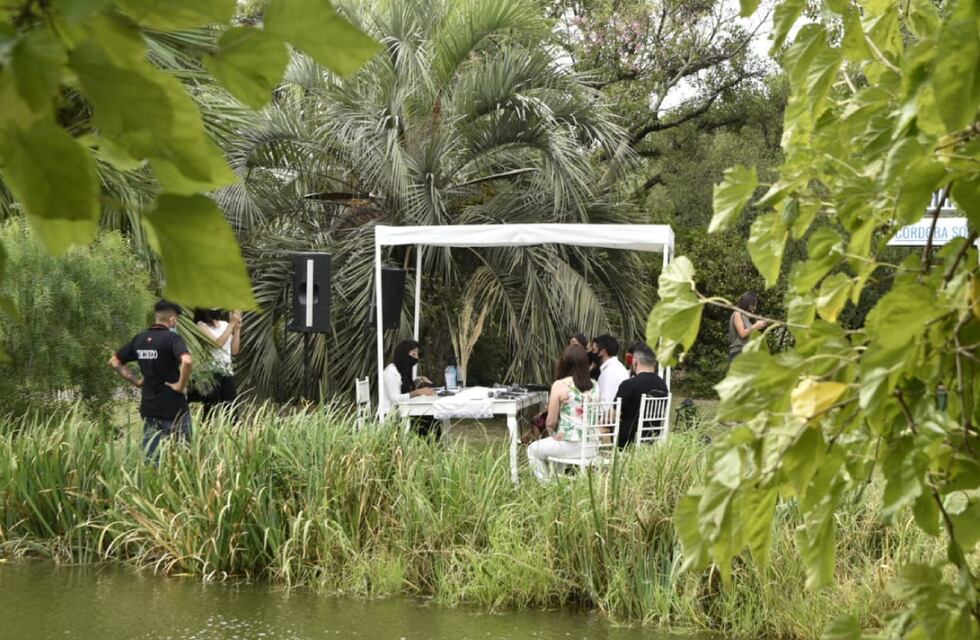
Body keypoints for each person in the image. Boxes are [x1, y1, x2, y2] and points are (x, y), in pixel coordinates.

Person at [109, 300, 193, 459]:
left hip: (150, 408)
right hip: (175, 409)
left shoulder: (139, 339)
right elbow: (187, 361)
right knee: (185, 458)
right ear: (173, 319)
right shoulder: (173, 339)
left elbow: (114, 361)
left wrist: (136, 381)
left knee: (153, 460)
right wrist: (180, 386)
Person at [527, 346, 599, 482]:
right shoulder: (595, 385)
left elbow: (550, 422)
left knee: (532, 449)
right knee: (555, 445)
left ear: (564, 363)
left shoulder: (559, 385)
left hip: (570, 445)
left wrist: (552, 432)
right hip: (592, 446)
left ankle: (546, 485)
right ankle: (557, 482)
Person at [381, 339, 438, 439]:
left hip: (404, 409)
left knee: (432, 417)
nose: (416, 358)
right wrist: (417, 392)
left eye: (417, 355)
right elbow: (395, 398)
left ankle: (432, 446)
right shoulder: (392, 371)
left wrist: (417, 381)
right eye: (413, 354)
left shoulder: (402, 370)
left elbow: (403, 388)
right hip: (393, 414)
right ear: (403, 354)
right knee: (427, 419)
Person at [614, 343, 669, 447]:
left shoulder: (629, 384)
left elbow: (614, 413)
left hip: (627, 441)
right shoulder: (663, 386)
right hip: (651, 439)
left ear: (635, 361)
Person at [193, 308, 241, 421]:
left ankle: (233, 435)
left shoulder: (224, 324)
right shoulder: (201, 325)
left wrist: (237, 329)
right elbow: (217, 344)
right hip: (210, 373)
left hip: (227, 372)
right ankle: (206, 436)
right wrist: (232, 324)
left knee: (232, 409)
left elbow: (234, 351)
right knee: (211, 411)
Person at [729, 292, 767, 361]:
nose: (755, 308)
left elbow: (748, 334)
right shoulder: (737, 313)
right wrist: (756, 326)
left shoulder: (746, 318)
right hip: (738, 353)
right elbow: (742, 334)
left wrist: (759, 326)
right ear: (748, 303)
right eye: (754, 305)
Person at [594, 334, 629, 403]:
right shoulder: (619, 367)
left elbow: (605, 404)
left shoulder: (609, 373)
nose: (592, 353)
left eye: (594, 350)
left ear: (603, 352)